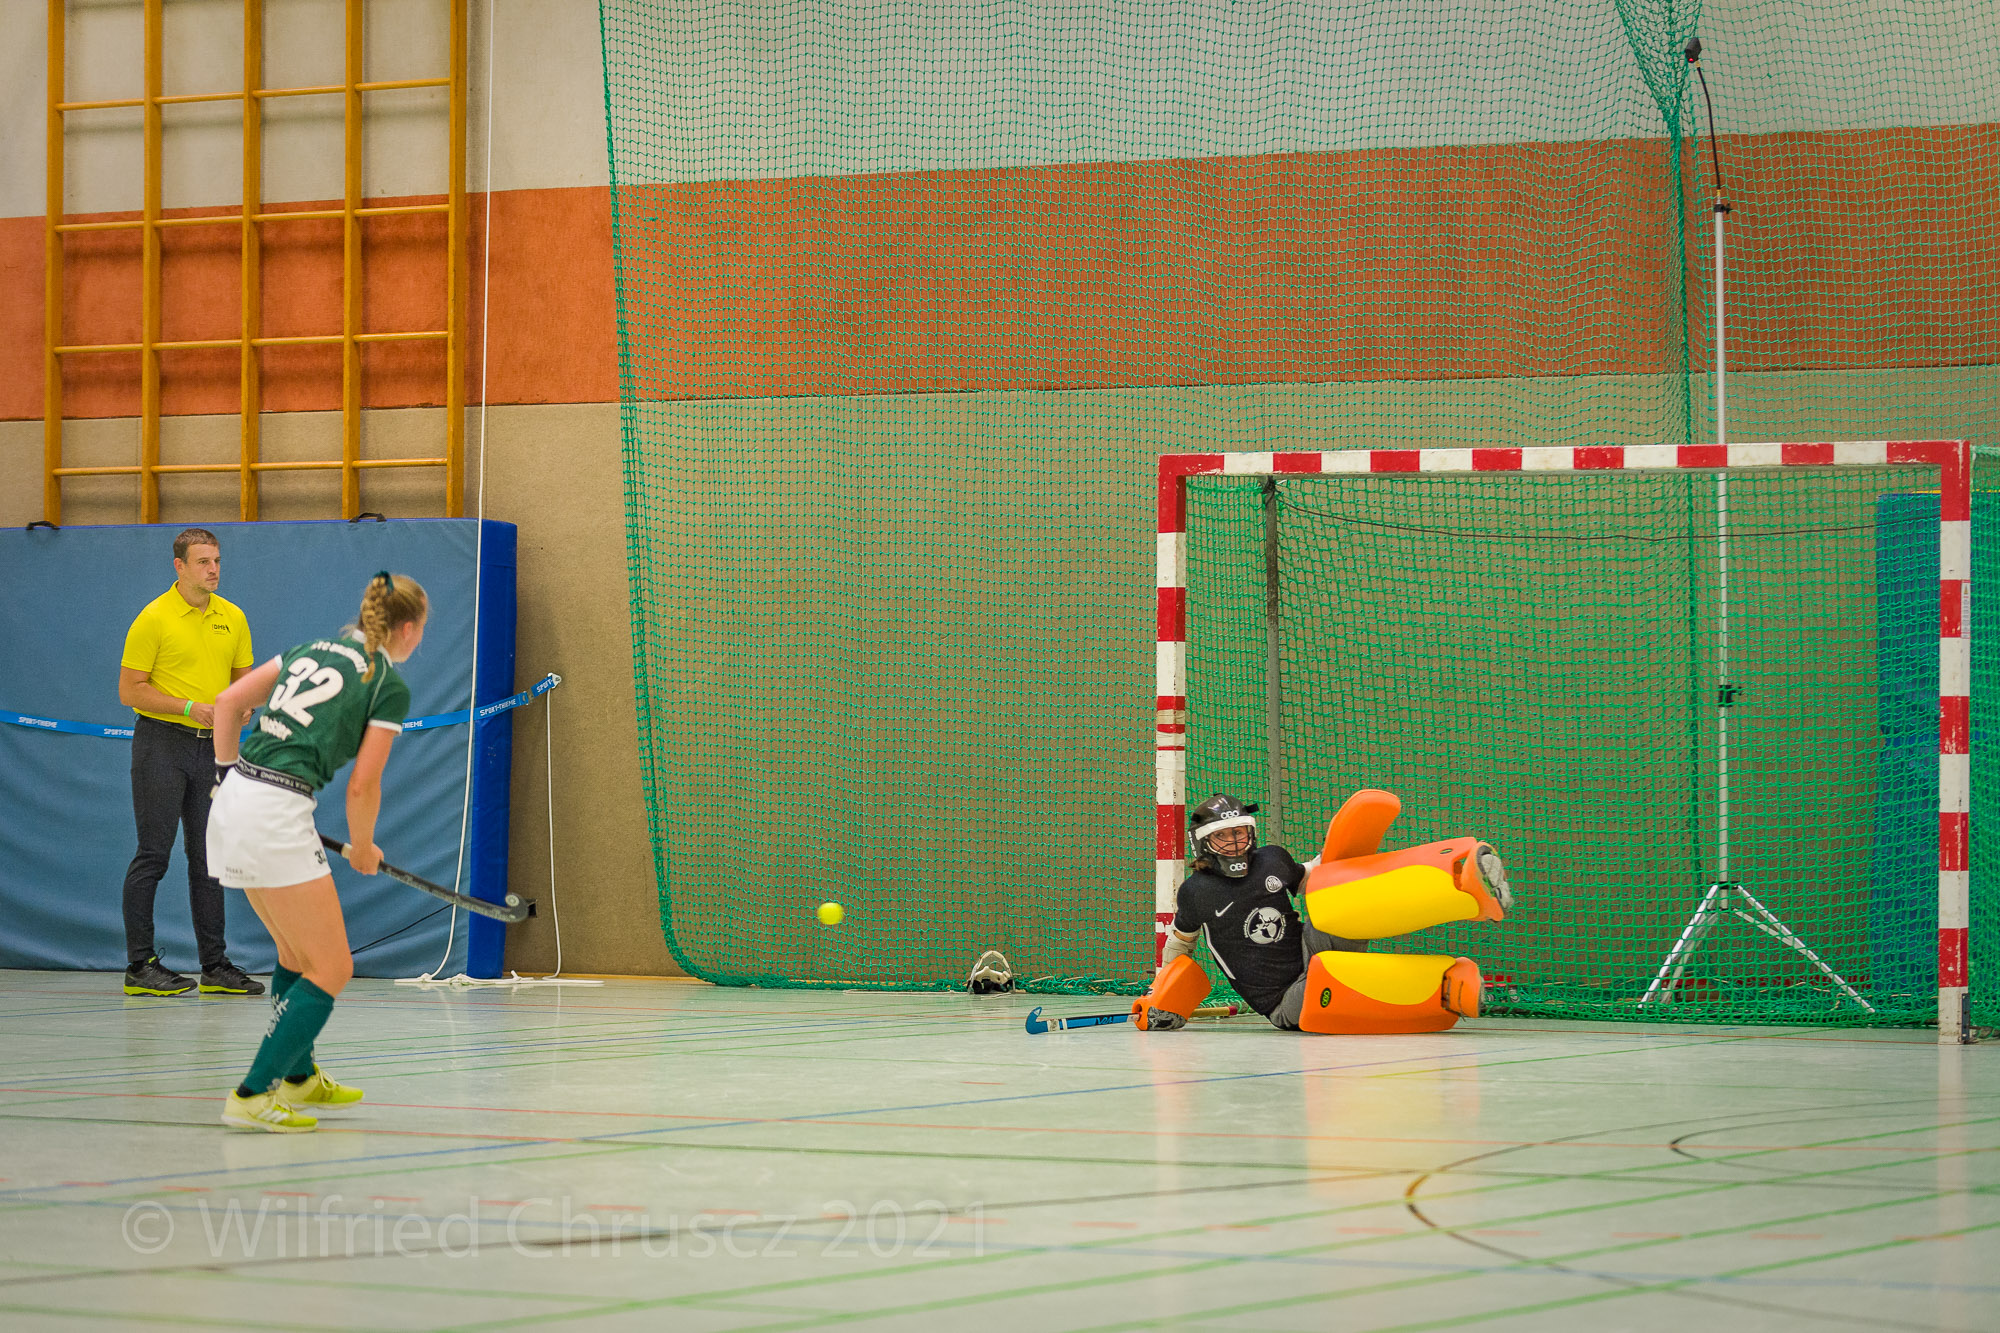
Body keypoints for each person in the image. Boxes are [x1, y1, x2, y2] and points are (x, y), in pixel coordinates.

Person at [206, 571, 426, 1132]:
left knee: (295, 954)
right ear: (407, 628)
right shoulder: (387, 684)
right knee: (333, 967)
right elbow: (362, 786)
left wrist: (224, 776)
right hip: (275, 813)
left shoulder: (308, 649)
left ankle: (299, 1078)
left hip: (235, 798)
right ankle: (252, 1094)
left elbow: (227, 703)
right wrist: (364, 846)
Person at [1141, 790, 1513, 1034]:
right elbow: (1181, 945)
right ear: (1205, 843)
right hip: (1287, 1001)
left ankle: (1461, 885)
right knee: (1342, 978)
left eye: (1240, 833)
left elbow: (1312, 880)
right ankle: (1445, 989)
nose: (1235, 843)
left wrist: (1346, 865)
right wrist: (1162, 994)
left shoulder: (1271, 859)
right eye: (1224, 836)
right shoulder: (1197, 891)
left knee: (1338, 897)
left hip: (1311, 950)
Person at [117, 527, 263, 997]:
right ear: (179, 566)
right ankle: (140, 965)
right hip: (161, 744)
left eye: (217, 561)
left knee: (209, 860)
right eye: (203, 562)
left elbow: (243, 683)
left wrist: (245, 705)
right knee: (153, 855)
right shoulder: (153, 618)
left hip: (212, 750)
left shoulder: (233, 617)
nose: (213, 569)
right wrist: (186, 707)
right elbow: (129, 690)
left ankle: (214, 966)